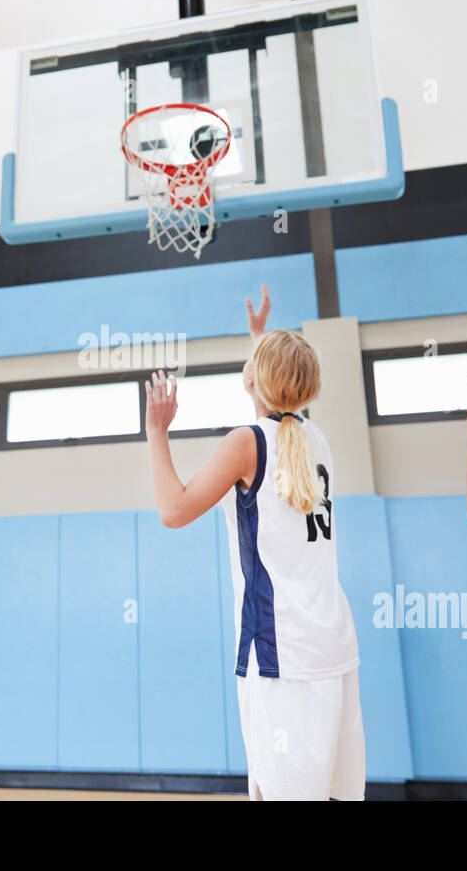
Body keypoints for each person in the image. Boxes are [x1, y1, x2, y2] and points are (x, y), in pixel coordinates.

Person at [143, 287, 364, 800]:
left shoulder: (246, 442)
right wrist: (260, 338)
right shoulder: (317, 439)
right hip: (333, 646)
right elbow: (281, 398)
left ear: (252, 378)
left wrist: (156, 431)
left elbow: (173, 511)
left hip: (279, 653)